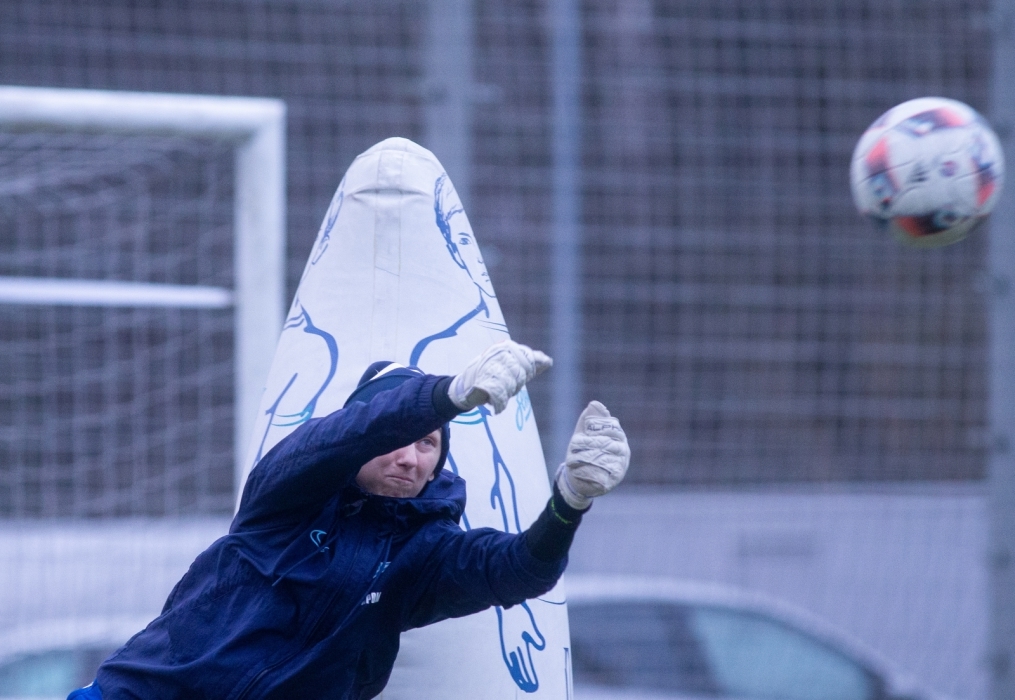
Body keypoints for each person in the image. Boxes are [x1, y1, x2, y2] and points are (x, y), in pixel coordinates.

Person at [68, 339, 630, 700]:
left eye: (429, 445)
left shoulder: (428, 551)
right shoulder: (287, 493)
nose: (410, 456)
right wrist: (444, 397)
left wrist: (570, 500)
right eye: (397, 439)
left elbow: (520, 571)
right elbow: (342, 437)